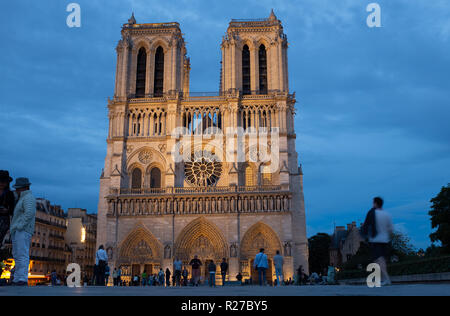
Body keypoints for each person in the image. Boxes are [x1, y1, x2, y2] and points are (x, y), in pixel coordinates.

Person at [361, 196, 394, 286]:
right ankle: (384, 279)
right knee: (380, 260)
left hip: (376, 240)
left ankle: (386, 278)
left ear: (375, 203)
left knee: (379, 260)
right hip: (385, 240)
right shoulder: (387, 214)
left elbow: (366, 225)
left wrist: (364, 237)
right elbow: (390, 229)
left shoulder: (372, 213)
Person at [10, 177, 36, 286]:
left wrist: (20, 225)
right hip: (19, 229)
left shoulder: (28, 198)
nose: (16, 190)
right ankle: (17, 278)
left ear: (24, 188)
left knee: (22, 254)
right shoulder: (24, 198)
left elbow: (29, 213)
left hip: (23, 229)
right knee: (17, 254)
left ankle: (22, 278)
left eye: (18, 188)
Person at [0, 171, 15, 259]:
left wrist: (7, 210)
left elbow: (12, 209)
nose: (1, 184)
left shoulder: (9, 194)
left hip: (3, 220)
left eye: (3, 182)